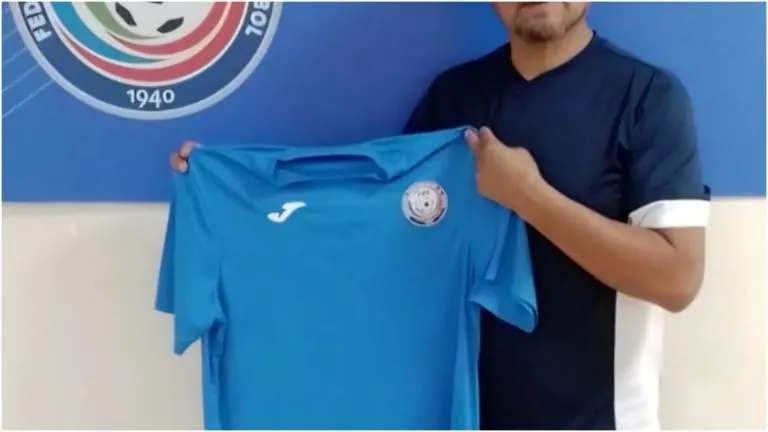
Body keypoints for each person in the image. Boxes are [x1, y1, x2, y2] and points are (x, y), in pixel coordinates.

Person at [170, 2, 709, 429]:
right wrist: (232, 188)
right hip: (457, 419)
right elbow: (372, 230)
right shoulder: (453, 98)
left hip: (597, 422)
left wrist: (529, 197)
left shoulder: (646, 97)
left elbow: (677, 278)